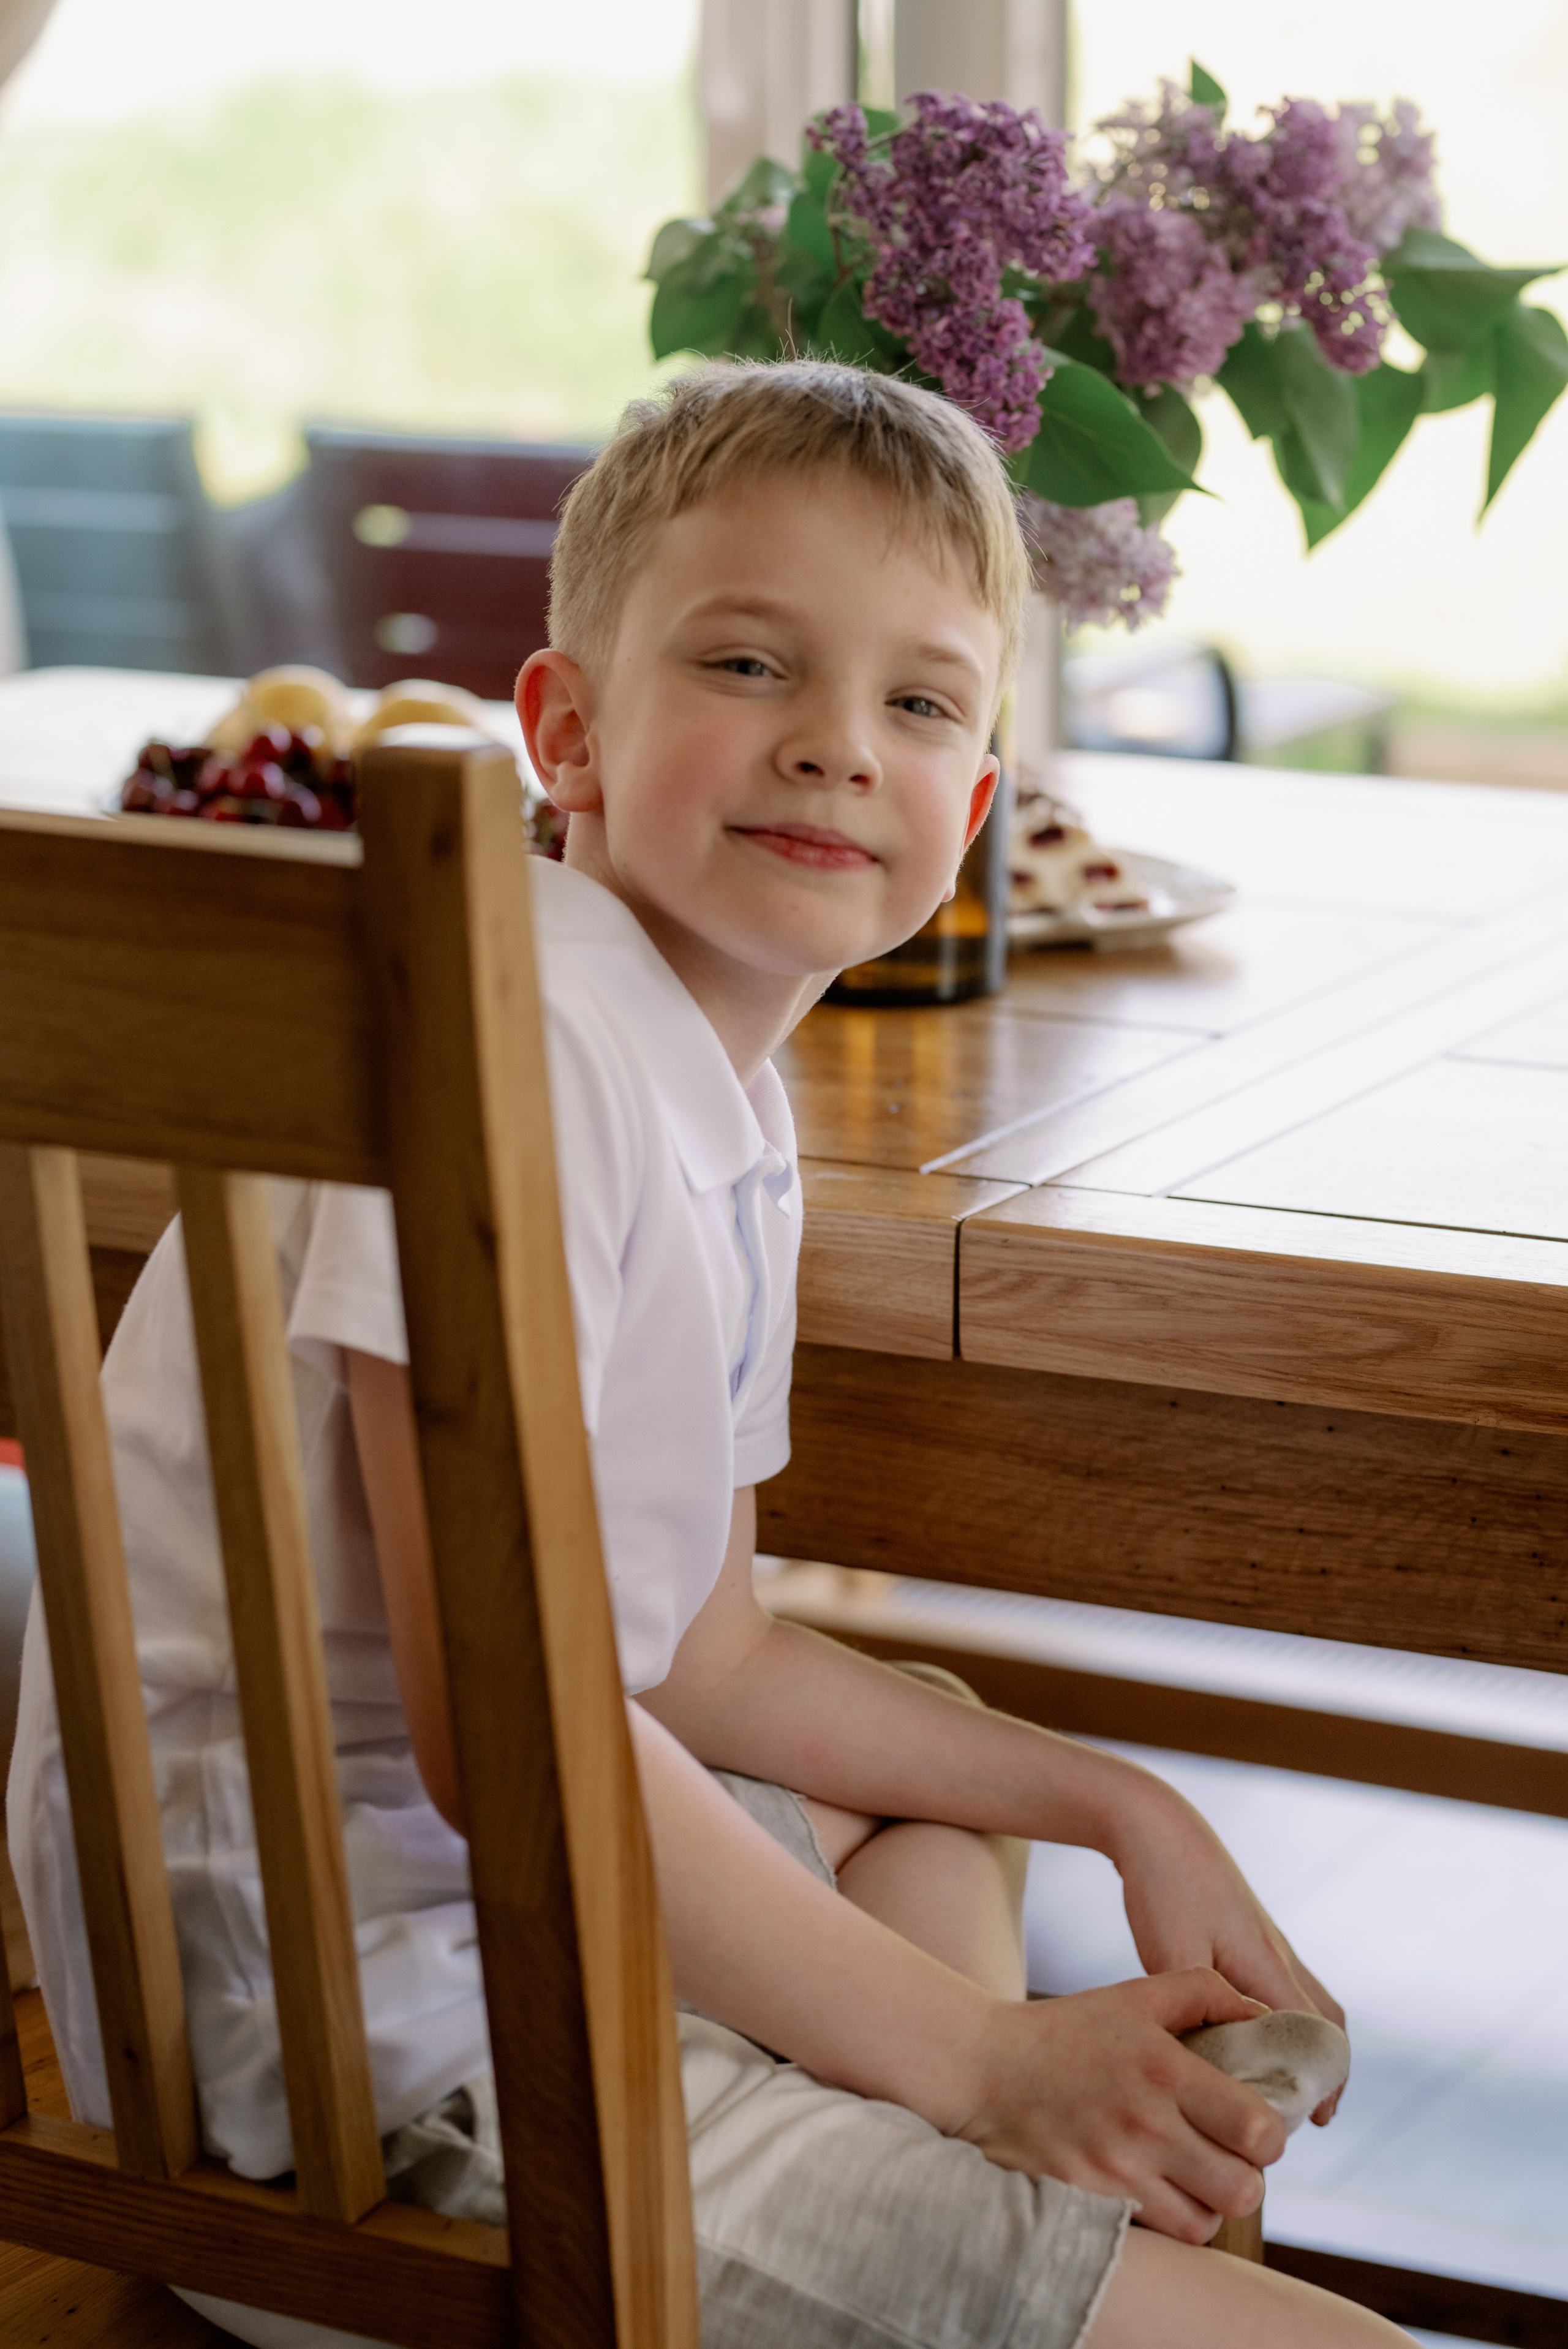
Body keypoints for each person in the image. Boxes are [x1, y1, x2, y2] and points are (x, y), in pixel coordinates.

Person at [7, 361, 1412, 2349]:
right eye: (752, 666)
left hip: (464, 1933)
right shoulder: (535, 1043)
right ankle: (961, 2199)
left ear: (979, 807)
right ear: (568, 729)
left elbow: (701, 1654)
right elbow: (524, 1730)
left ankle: (958, 2215)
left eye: (920, 703)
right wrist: (982, 2062)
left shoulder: (694, 1075)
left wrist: (1124, 1797)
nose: (840, 748)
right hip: (358, 2077)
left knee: (947, 1792)